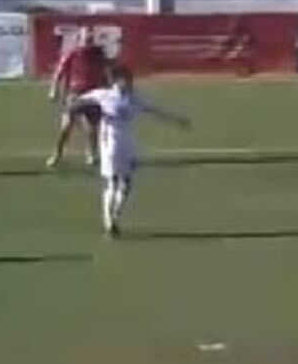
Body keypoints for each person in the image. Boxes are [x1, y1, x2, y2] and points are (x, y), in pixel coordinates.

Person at [67, 65, 191, 237]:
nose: (131, 82)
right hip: (110, 144)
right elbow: (77, 103)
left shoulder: (134, 99)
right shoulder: (103, 95)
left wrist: (176, 120)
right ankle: (109, 221)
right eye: (127, 79)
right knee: (112, 182)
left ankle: (114, 217)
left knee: (125, 185)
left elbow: (154, 111)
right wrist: (78, 109)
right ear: (118, 80)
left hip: (127, 145)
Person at [47, 27, 111, 169]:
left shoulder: (98, 53)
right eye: (85, 37)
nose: (88, 40)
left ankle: (92, 154)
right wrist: (54, 89)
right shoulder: (72, 53)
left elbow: (106, 71)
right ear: (79, 39)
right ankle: (57, 154)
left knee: (92, 127)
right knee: (66, 126)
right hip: (75, 93)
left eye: (90, 37)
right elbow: (60, 71)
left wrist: (108, 89)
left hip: (94, 93)